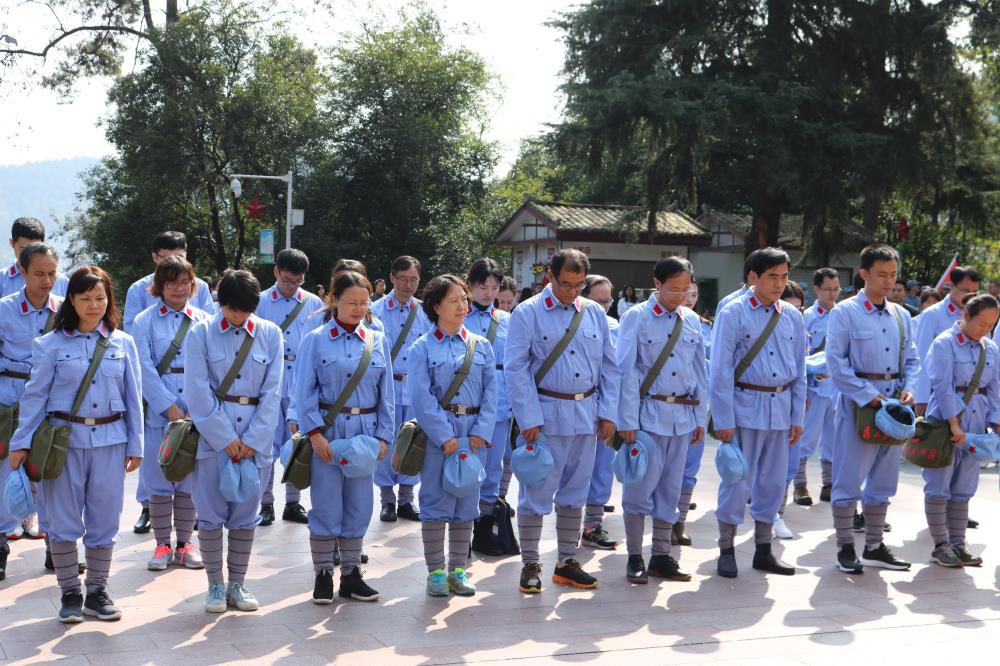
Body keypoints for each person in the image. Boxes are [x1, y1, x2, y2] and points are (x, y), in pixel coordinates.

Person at [7, 266, 143, 623]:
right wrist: (20, 443)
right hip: (62, 444)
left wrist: (137, 444)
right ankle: (70, 592)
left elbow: (134, 397)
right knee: (63, 522)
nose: (94, 305)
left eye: (100, 298)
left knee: (105, 520)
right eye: (85, 298)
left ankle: (97, 592)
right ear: (71, 300)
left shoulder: (123, 343)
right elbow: (34, 397)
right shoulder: (49, 344)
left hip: (111, 442)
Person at [505, 249, 621, 593]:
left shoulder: (594, 313)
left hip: (586, 416)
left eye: (579, 284)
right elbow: (516, 369)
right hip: (545, 416)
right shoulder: (528, 312)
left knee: (575, 493)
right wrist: (528, 418)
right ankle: (530, 562)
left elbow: (610, 367)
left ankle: (567, 561)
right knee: (536, 492)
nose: (572, 291)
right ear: (550, 277)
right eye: (566, 284)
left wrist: (608, 412)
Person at [185, 270, 283, 613]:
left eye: (246, 310)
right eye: (233, 309)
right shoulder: (200, 333)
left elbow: (273, 390)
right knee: (210, 514)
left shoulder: (270, 333)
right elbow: (197, 390)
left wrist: (253, 439)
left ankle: (237, 582)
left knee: (245, 514)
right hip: (212, 440)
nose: (239, 317)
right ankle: (215, 584)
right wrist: (225, 438)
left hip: (256, 440)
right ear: (221, 303)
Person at [295, 270, 391, 604]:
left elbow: (387, 394)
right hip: (328, 431)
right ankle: (323, 573)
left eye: (364, 303)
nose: (358, 309)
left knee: (360, 504)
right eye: (351, 302)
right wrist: (314, 434)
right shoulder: (315, 339)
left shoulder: (377, 340)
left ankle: (351, 574)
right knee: (326, 504)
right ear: (334, 300)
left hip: (365, 433)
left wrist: (384, 437)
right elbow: (303, 391)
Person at [710, 247, 805, 578]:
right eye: (772, 277)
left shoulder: (792, 315)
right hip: (744, 407)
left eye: (784, 277)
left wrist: (797, 417)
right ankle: (726, 549)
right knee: (737, 481)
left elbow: (799, 371)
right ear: (753, 277)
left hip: (780, 409)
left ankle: (764, 550)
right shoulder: (733, 312)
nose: (779, 284)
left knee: (773, 483)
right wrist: (723, 419)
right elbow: (720, 369)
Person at [827, 244, 919, 574]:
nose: (889, 281)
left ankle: (875, 546)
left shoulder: (902, 315)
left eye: (893, 274)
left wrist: (910, 388)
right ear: (864, 273)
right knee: (848, 478)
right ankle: (845, 547)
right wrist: (869, 396)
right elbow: (836, 364)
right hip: (859, 407)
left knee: (884, 479)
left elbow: (913, 359)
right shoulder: (845, 312)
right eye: (882, 274)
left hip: (894, 409)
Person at [616, 257, 706, 584]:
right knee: (639, 489)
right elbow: (625, 371)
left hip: (682, 417)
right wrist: (627, 420)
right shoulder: (636, 317)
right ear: (657, 283)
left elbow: (700, 372)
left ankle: (661, 555)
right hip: (647, 417)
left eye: (686, 290)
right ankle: (635, 556)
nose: (680, 296)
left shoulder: (692, 320)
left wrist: (699, 417)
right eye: (674, 290)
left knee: (671, 488)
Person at [410, 275, 497, 596]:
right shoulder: (421, 348)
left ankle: (458, 571)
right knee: (435, 503)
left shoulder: (481, 345)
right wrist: (443, 435)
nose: (462, 306)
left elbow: (492, 392)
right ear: (436, 307)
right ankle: (435, 572)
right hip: (440, 436)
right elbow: (421, 397)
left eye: (464, 299)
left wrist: (482, 432)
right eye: (454, 301)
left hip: (473, 435)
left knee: (466, 504)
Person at [124, 231, 215, 535]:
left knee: (190, 480)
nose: (178, 288)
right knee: (158, 480)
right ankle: (162, 543)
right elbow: (143, 366)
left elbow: (212, 366)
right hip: (158, 411)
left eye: (184, 282)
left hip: (195, 409)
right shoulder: (144, 321)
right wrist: (168, 406)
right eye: (171, 283)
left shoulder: (204, 320)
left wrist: (195, 407)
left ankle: (186, 543)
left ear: (193, 285)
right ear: (159, 286)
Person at [0, 243, 63, 581]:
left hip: (53, 404)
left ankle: (57, 548)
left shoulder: (66, 310)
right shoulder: (4, 309)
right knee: (6, 472)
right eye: (39, 273)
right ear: (22, 271)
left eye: (52, 273)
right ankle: (0, 545)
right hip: (10, 402)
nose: (46, 280)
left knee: (53, 472)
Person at [923, 294, 999, 568]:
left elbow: (996, 389)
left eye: (991, 325)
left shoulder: (990, 349)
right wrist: (954, 423)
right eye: (981, 323)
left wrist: (997, 424)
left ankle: (958, 543)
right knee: (939, 485)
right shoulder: (944, 343)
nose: (985, 330)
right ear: (966, 315)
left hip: (975, 426)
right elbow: (942, 387)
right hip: (944, 424)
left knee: (964, 487)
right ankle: (940, 545)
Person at [255, 249, 324, 528]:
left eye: (298, 281)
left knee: (298, 442)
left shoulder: (313, 303)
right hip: (269, 381)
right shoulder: (259, 301)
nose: (292, 286)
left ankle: (293, 502)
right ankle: (266, 502)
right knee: (266, 445)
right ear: (276, 272)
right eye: (287, 280)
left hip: (301, 381)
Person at [369, 256, 431, 522]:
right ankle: (387, 500)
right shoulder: (375, 310)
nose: (408, 285)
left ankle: (407, 498)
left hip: (415, 387)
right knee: (387, 440)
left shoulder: (425, 312)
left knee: (413, 440)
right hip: (387, 386)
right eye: (403, 279)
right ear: (392, 278)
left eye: (414, 280)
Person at [464, 259, 512, 556]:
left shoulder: (507, 320)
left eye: (494, 287)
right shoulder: (458, 316)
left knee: (493, 467)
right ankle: (462, 529)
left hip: (501, 403)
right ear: (470, 285)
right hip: (468, 401)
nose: (489, 293)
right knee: (468, 466)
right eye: (483, 286)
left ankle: (484, 530)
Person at [794, 268, 841, 509]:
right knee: (807, 437)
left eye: (836, 289)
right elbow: (798, 355)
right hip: (814, 387)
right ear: (816, 290)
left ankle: (829, 483)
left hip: (839, 388)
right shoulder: (807, 317)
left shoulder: (845, 315)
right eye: (827, 289)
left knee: (834, 439)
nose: (832, 294)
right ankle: (800, 484)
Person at [580, 274, 620, 550]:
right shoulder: (570, 324)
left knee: (603, 467)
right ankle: (568, 525)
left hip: (605, 407)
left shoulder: (616, 327)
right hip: (575, 407)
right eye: (599, 301)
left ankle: (593, 524)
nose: (604, 307)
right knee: (572, 471)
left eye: (608, 301)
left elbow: (618, 371)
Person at [671, 281, 712, 546]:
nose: (689, 298)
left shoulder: (704, 326)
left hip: (696, 403)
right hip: (665, 404)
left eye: (694, 294)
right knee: (665, 469)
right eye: (685, 292)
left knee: (690, 467)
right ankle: (664, 519)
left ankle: (680, 521)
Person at [916, 267, 981, 415]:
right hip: (939, 399)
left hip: (975, 401)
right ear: (951, 286)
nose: (971, 297)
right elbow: (922, 359)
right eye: (966, 291)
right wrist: (921, 399)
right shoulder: (932, 315)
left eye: (974, 293)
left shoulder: (980, 316)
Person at [773, 281, 807, 540]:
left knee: (789, 465)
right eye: (790, 307)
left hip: (790, 404)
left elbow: (799, 371)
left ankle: (777, 515)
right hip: (760, 404)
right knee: (763, 468)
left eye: (800, 308)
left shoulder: (798, 328)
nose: (795, 312)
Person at [0, 218, 69, 299]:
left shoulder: (62, 282)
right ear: (12, 243)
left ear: (43, 244)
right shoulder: (2, 279)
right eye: (23, 249)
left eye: (35, 250)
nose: (29, 255)